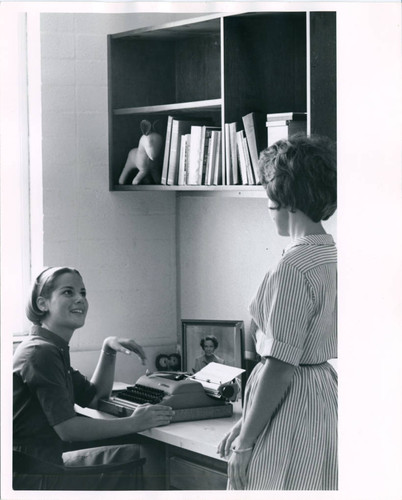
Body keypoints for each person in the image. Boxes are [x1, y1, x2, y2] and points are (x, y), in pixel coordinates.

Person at [217, 134, 338, 490]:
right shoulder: (331, 254)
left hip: (291, 403)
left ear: (285, 198)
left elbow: (280, 368)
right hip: (322, 398)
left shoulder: (292, 266)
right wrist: (244, 424)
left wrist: (245, 443)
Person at [13, 266, 174, 489]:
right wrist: (135, 422)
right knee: (150, 451)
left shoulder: (50, 347)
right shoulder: (42, 353)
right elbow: (68, 429)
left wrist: (108, 349)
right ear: (43, 304)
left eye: (83, 293)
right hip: (34, 474)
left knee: (130, 441)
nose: (80, 299)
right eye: (68, 292)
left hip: (38, 464)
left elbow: (95, 398)